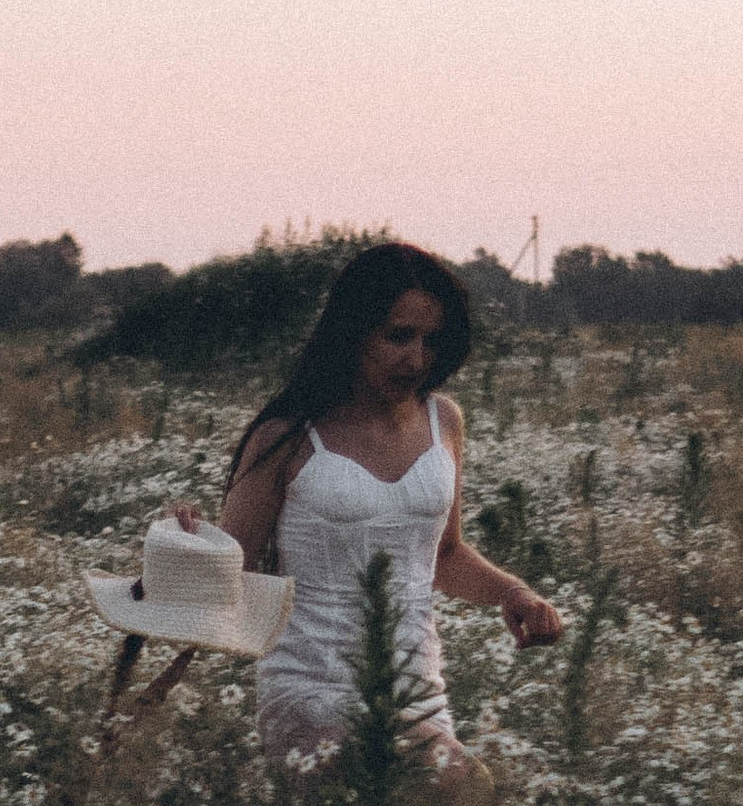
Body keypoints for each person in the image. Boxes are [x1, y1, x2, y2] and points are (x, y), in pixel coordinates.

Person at [189, 242, 563, 778]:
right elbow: (231, 571)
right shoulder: (289, 435)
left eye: (431, 340)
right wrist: (184, 541)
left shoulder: (443, 421)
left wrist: (515, 594)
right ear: (353, 330)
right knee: (464, 786)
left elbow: (445, 555)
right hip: (310, 691)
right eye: (398, 335)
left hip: (418, 690)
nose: (416, 358)